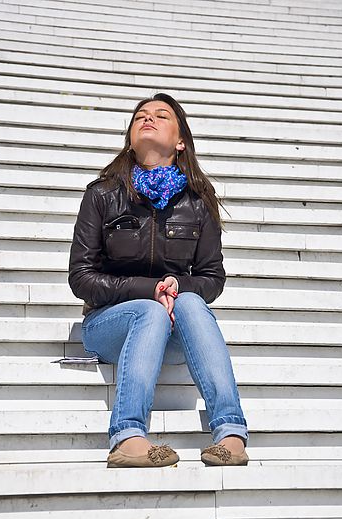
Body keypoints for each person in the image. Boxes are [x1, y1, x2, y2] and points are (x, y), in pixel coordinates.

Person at [68, 93, 249, 468]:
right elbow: (82, 278)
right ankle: (127, 436)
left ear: (180, 140)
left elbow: (212, 278)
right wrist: (150, 291)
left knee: (191, 301)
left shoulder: (199, 201)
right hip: (110, 325)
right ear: (131, 138)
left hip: (175, 332)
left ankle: (231, 435)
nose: (148, 118)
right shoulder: (102, 195)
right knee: (149, 312)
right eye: (140, 116)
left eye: (161, 115)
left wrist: (176, 288)